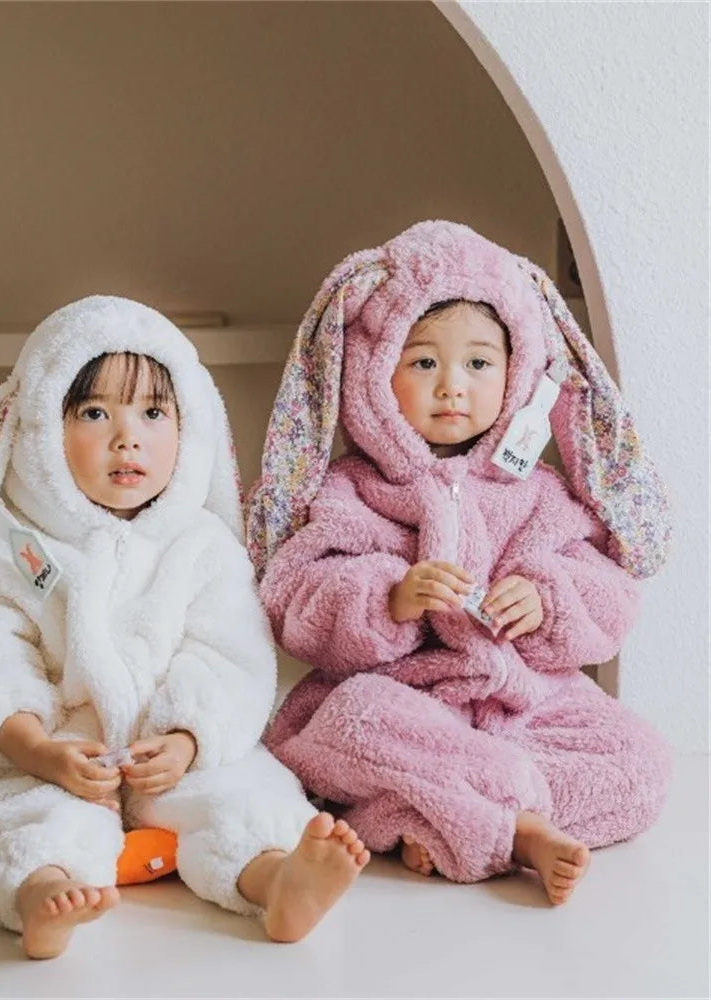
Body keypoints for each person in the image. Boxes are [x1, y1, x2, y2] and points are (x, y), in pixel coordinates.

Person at [0, 295, 368, 959]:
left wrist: (190, 738)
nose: (126, 436)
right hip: (53, 755)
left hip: (169, 755)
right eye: (95, 412)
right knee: (24, 816)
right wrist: (38, 748)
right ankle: (39, 890)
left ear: (188, 430)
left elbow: (229, 656)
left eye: (153, 413)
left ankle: (277, 879)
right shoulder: (12, 548)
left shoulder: (202, 546)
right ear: (42, 430)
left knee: (240, 793)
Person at [246, 221, 672, 905]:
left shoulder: (536, 492)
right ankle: (513, 827)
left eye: (478, 364)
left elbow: (609, 594)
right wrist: (389, 598)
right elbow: (294, 596)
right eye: (422, 363)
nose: (453, 387)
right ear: (372, 374)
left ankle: (431, 817)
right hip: (406, 707)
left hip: (521, 707)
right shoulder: (350, 491)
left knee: (641, 764)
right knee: (350, 723)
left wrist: (549, 598)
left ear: (518, 372)